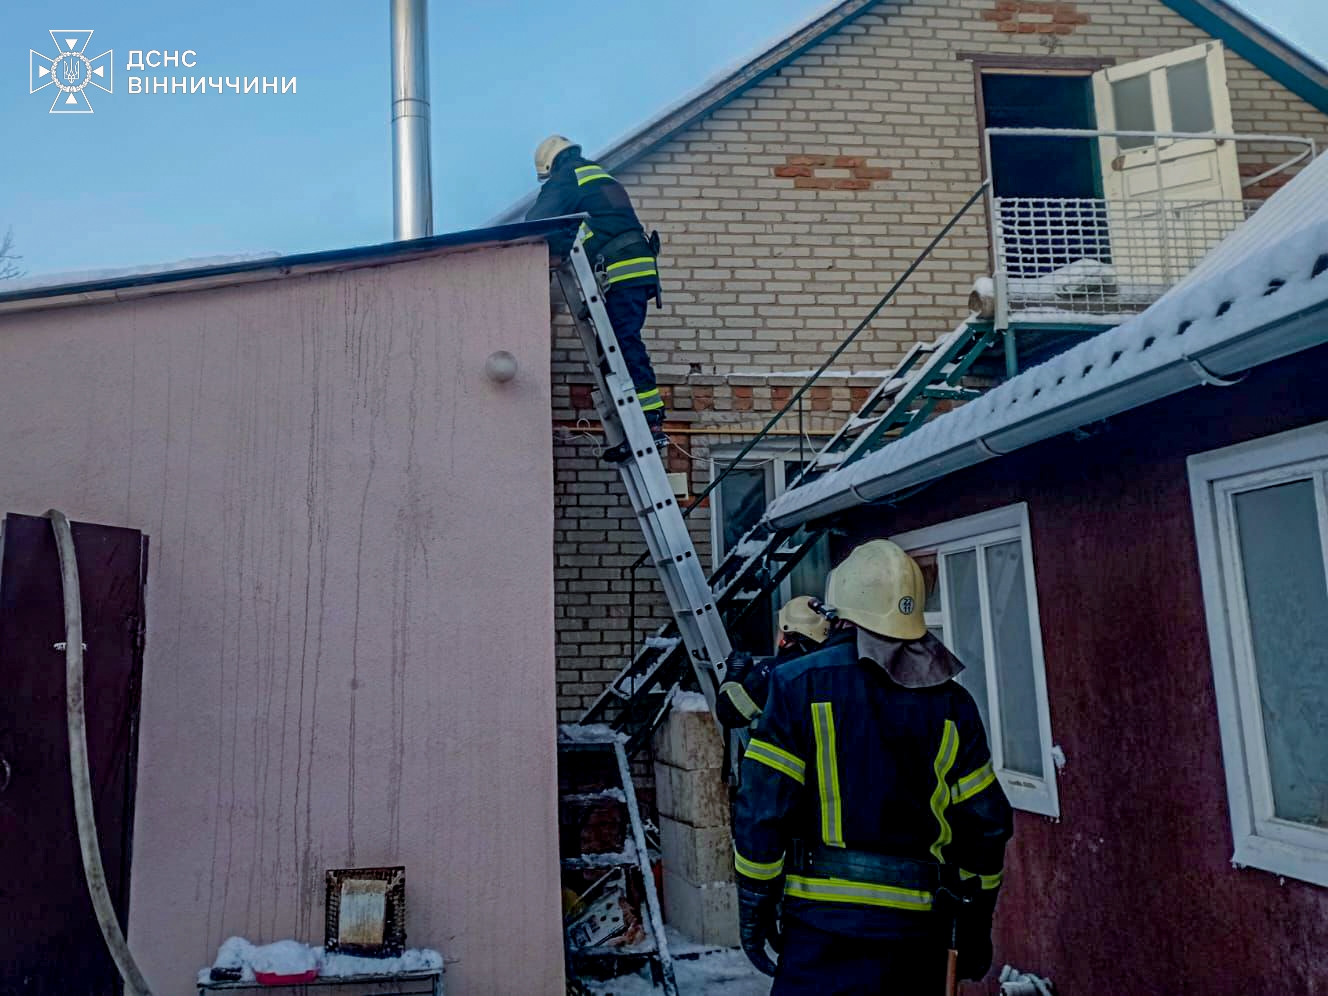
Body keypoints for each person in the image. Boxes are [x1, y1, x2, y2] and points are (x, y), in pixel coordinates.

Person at [733, 539, 1013, 994]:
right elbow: (986, 827)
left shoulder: (797, 685)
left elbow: (762, 810)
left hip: (821, 936)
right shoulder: (954, 705)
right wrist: (976, 922)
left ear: (841, 611)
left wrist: (754, 903)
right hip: (918, 940)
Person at [525, 134, 667, 459]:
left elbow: (537, 221)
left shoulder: (568, 176)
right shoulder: (598, 175)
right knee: (617, 343)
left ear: (550, 165)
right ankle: (632, 429)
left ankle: (649, 422)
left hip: (622, 269)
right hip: (634, 267)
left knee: (623, 340)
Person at [717, 596, 830, 730]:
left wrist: (734, 674)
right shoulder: (833, 666)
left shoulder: (776, 671)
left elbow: (728, 713)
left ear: (789, 634)